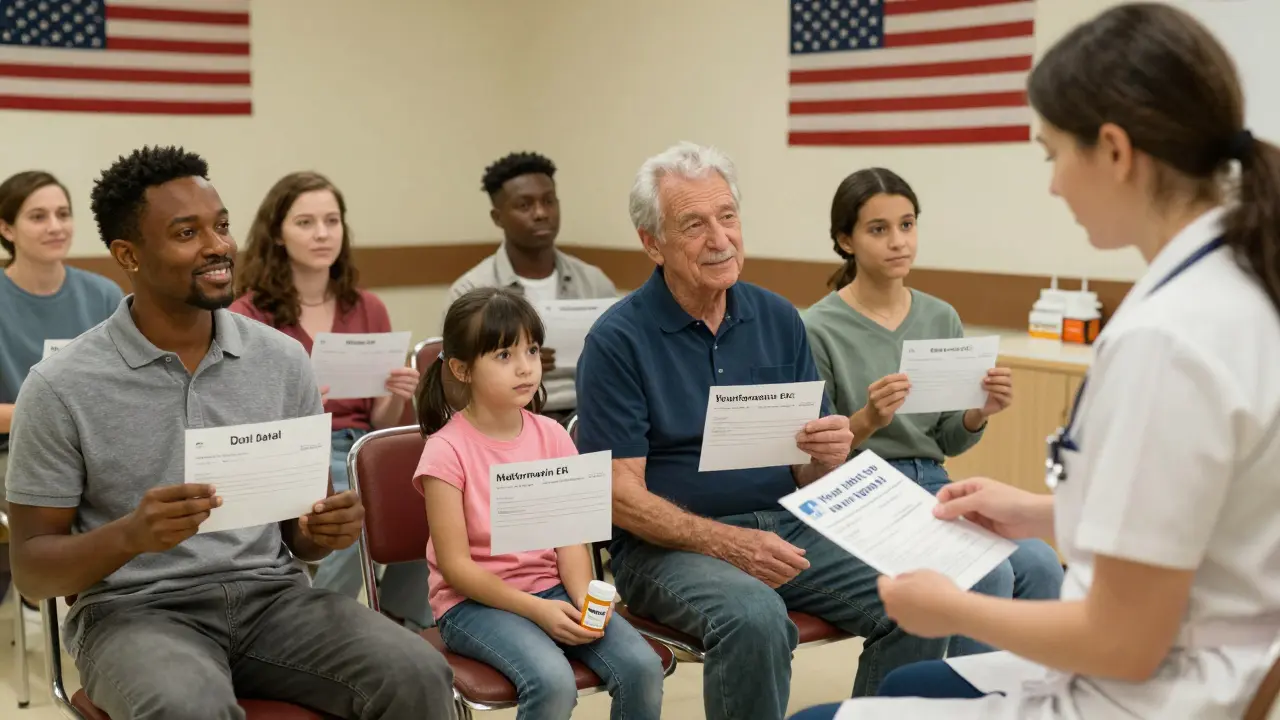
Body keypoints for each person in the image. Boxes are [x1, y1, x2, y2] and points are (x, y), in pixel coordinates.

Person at [788, 4, 1280, 719]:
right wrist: (1045, 511)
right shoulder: (1236, 290)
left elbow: (1123, 642)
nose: (1052, 185)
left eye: (1053, 156)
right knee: (902, 689)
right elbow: (1188, 511)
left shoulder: (1166, 340)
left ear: (1113, 150)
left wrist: (951, 607)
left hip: (1139, 695)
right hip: (1198, 674)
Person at [3, 146, 455, 720]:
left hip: (272, 599)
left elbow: (299, 537)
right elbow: (34, 570)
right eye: (186, 232)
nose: (218, 246)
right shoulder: (61, 385)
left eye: (220, 226)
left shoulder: (282, 359)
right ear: (128, 255)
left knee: (417, 671)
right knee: (187, 707)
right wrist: (132, 535)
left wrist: (325, 529)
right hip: (134, 613)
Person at [575, 141, 947, 720]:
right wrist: (728, 543)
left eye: (727, 216)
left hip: (783, 525)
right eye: (693, 224)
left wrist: (828, 454)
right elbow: (617, 495)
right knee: (753, 617)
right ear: (653, 243)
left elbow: (807, 470)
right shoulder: (617, 340)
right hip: (663, 549)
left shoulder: (777, 318)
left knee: (920, 595)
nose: (720, 238)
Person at [802, 167, 1064, 657]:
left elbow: (944, 438)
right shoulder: (815, 328)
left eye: (907, 224)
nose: (898, 241)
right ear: (846, 240)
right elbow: (813, 460)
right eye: (878, 229)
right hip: (865, 496)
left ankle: (1007, 706)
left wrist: (976, 414)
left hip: (933, 485)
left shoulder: (939, 316)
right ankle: (956, 702)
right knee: (987, 571)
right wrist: (867, 421)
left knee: (1044, 565)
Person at [416, 286, 664, 720]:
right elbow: (455, 568)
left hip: (550, 589)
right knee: (551, 682)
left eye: (530, 350)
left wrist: (588, 600)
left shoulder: (552, 435)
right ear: (461, 368)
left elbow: (570, 544)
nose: (526, 368)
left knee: (641, 667)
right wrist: (537, 609)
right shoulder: (445, 451)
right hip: (472, 605)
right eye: (504, 356)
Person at [228, 171, 431, 630]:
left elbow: (379, 420)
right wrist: (295, 403)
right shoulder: (248, 313)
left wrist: (394, 394)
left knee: (430, 493)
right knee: (354, 509)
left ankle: (407, 619)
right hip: (296, 449)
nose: (322, 233)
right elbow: (239, 412)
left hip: (365, 443)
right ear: (277, 234)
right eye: (305, 222)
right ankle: (314, 625)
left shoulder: (367, 307)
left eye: (331, 221)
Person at [0, 170, 122, 615]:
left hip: (100, 445)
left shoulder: (104, 295)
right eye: (38, 216)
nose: (55, 226)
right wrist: (47, 415)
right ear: (6, 228)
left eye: (63, 214)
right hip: (14, 452)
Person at [447, 152, 618, 422]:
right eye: (524, 205)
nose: (541, 213)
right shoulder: (471, 290)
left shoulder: (594, 282)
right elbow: (454, 385)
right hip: (510, 418)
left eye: (548, 201)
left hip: (593, 413)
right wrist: (515, 363)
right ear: (497, 217)